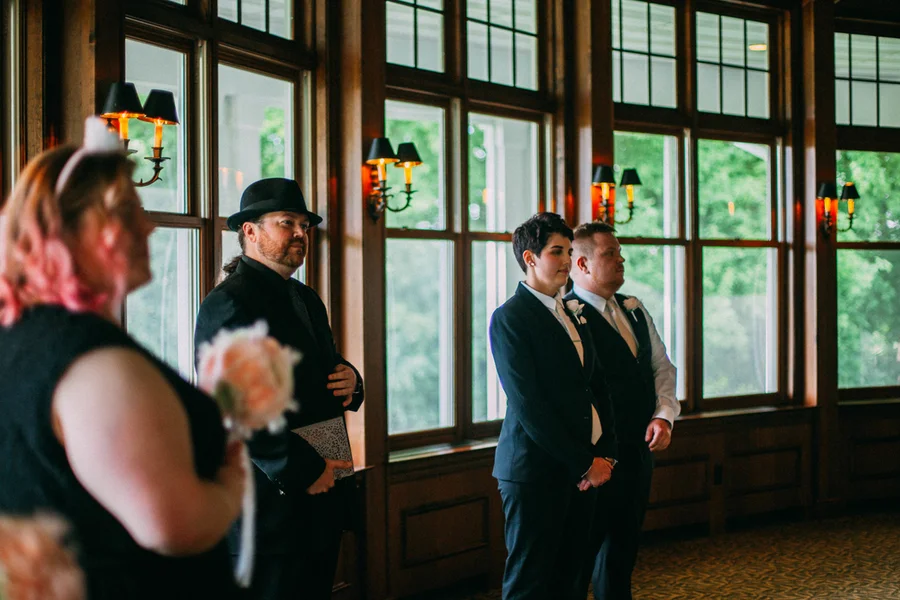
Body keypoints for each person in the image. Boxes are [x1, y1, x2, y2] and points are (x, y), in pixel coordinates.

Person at [0, 118, 246, 599]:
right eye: (129, 211)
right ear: (79, 229)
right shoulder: (94, 364)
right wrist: (231, 487)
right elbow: (171, 526)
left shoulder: (19, 337)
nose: (148, 226)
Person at [195, 177, 364, 600]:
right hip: (270, 505)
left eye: (304, 225)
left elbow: (324, 366)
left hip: (325, 490)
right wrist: (306, 472)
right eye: (286, 222)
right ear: (250, 231)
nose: (300, 233)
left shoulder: (306, 298)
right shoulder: (229, 302)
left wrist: (352, 381)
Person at [489, 212, 618, 600]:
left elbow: (598, 387)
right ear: (530, 258)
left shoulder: (571, 312)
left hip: (583, 467)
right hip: (534, 471)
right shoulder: (510, 318)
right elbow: (529, 405)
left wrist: (605, 454)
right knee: (530, 581)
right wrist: (583, 462)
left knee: (571, 577)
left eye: (569, 252)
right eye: (557, 252)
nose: (567, 261)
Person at [567, 220, 680, 600]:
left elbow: (662, 367)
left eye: (620, 252)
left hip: (638, 451)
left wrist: (663, 415)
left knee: (623, 550)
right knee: (581, 555)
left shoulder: (634, 309)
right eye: (610, 253)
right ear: (582, 264)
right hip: (594, 457)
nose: (621, 260)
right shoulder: (567, 315)